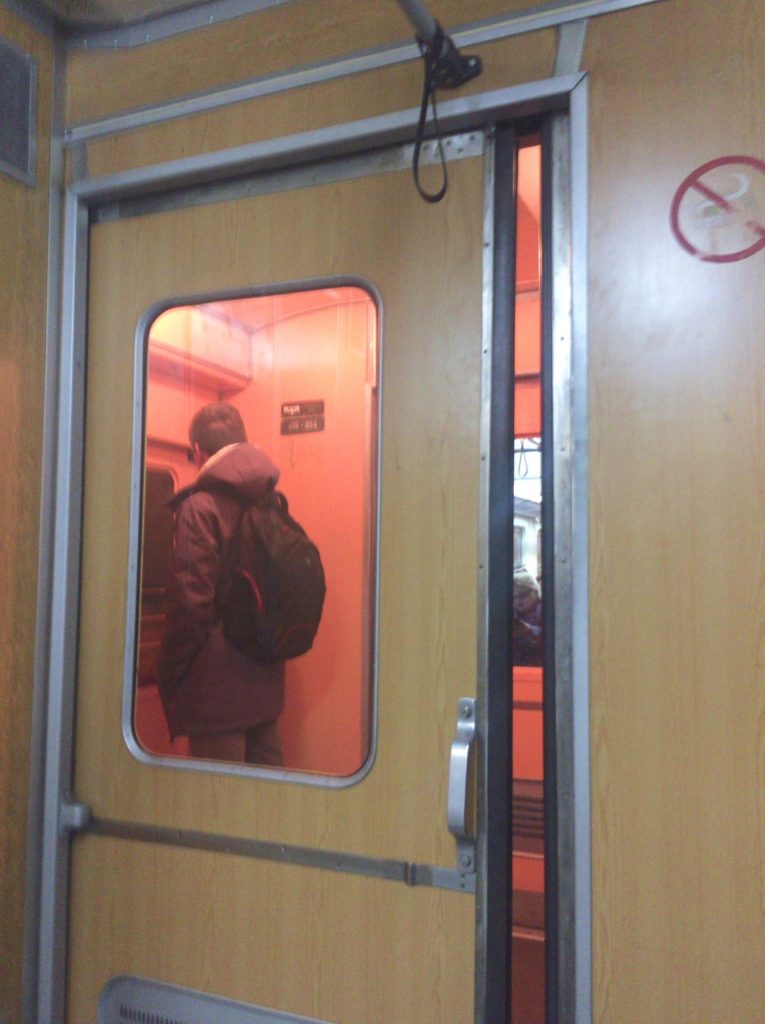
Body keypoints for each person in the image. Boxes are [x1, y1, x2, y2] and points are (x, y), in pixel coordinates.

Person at [157, 402, 285, 765]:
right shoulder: (271, 502)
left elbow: (190, 605)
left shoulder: (199, 508)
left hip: (216, 693)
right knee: (266, 793)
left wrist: (171, 672)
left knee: (217, 795)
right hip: (266, 683)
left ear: (198, 451)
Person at [513, 566, 543, 666]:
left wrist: (530, 631)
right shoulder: (512, 612)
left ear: (536, 591)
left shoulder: (546, 609)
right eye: (513, 597)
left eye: (523, 595)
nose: (518, 601)